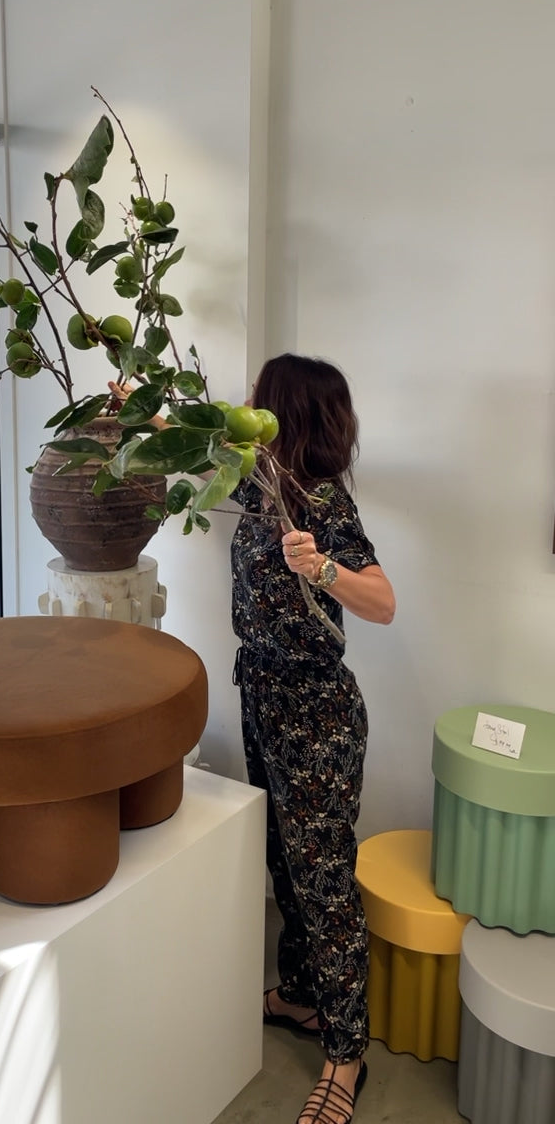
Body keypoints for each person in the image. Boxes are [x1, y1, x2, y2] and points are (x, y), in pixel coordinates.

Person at [230, 354, 395, 1124]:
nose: (247, 403)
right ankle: (300, 994)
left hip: (316, 714)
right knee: (285, 863)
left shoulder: (323, 499)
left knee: (325, 883)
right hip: (263, 694)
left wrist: (324, 567)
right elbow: (203, 440)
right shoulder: (262, 484)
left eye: (259, 396)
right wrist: (146, 409)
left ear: (286, 410)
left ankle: (346, 1053)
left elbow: (383, 602)